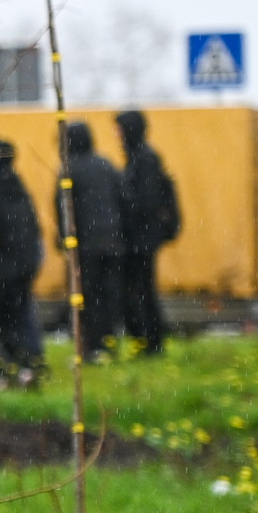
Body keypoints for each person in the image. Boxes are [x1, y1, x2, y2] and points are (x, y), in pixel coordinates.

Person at [55, 121, 125, 360]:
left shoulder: (68, 169)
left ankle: (92, 346)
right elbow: (123, 200)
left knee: (87, 296)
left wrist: (66, 240)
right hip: (113, 243)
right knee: (110, 295)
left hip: (85, 246)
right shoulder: (106, 165)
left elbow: (64, 209)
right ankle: (109, 342)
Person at [115, 110, 181, 356]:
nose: (116, 135)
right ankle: (147, 340)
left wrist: (124, 207)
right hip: (141, 237)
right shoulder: (139, 157)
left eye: (119, 129)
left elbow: (145, 201)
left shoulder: (145, 159)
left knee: (142, 290)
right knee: (140, 290)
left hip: (142, 239)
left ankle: (151, 342)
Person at [0, 139, 45, 384]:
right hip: (24, 263)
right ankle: (29, 360)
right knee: (20, 312)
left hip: (7, 267)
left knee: (9, 316)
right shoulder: (16, 185)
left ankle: (20, 362)